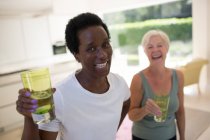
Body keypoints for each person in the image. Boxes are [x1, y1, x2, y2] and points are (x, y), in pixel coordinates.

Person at [16, 12, 130, 140]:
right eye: (91, 49)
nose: (103, 54)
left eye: (105, 44)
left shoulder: (120, 84)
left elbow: (126, 103)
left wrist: (111, 131)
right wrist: (29, 118)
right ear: (77, 55)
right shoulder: (59, 96)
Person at [128, 30, 185, 140]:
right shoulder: (138, 79)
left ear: (167, 48)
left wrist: (182, 137)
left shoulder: (178, 76)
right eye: (150, 47)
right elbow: (131, 115)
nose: (155, 50)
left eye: (160, 45)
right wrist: (145, 110)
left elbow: (180, 111)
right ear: (145, 51)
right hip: (142, 137)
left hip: (170, 136)